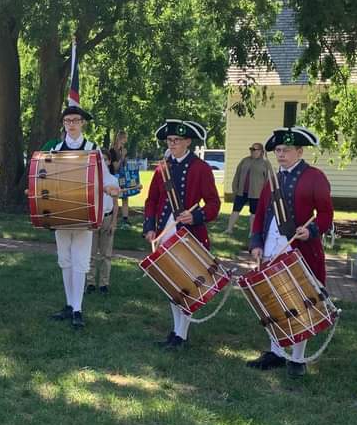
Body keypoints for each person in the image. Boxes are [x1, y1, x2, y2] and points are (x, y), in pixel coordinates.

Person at [247, 126, 334, 377]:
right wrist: (256, 243)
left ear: (300, 151)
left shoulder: (315, 177)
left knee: (299, 303)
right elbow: (261, 214)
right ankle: (276, 351)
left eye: (286, 150)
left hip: (300, 249)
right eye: (278, 150)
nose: (281, 154)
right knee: (273, 300)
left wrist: (312, 230)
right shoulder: (272, 180)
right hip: (272, 248)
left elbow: (326, 215)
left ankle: (297, 358)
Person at [143, 119, 221, 349]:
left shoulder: (201, 168)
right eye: (170, 140)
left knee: (186, 285)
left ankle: (181, 335)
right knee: (171, 283)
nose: (173, 144)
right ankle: (176, 330)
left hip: (189, 235)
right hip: (165, 233)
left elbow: (214, 204)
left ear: (188, 142)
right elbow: (152, 200)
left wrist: (195, 216)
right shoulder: (162, 168)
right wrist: (149, 227)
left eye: (177, 140)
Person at [44, 105, 119, 328]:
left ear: (83, 123)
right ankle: (69, 305)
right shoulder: (56, 149)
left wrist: (111, 188)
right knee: (65, 260)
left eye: (76, 120)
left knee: (80, 261)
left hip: (86, 213)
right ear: (64, 124)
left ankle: (78, 308)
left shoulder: (93, 150)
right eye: (68, 121)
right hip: (61, 213)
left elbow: (106, 178)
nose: (72, 124)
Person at [86, 147, 118, 295]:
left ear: (109, 161)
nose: (103, 162)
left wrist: (113, 223)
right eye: (100, 160)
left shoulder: (113, 180)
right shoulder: (92, 179)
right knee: (91, 253)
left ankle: (104, 284)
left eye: (105, 159)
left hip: (107, 218)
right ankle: (90, 282)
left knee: (106, 254)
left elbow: (116, 203)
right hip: (93, 218)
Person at [226, 142, 270, 234]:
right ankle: (229, 229)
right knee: (235, 210)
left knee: (254, 213)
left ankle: (252, 232)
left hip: (256, 193)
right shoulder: (245, 160)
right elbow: (237, 174)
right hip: (241, 192)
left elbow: (268, 180)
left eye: (254, 149)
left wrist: (265, 193)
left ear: (261, 151)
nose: (252, 151)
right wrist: (235, 188)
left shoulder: (265, 163)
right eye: (251, 149)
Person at [112, 131, 132, 226]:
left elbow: (123, 165)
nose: (126, 140)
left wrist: (125, 159)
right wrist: (122, 156)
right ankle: (112, 220)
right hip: (114, 177)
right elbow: (115, 168)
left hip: (122, 177)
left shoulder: (122, 149)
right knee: (114, 198)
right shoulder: (112, 150)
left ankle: (125, 218)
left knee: (125, 197)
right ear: (121, 138)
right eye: (125, 138)